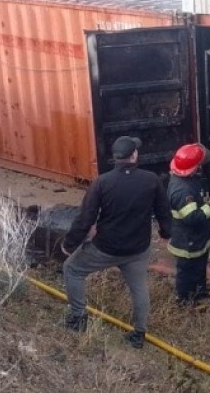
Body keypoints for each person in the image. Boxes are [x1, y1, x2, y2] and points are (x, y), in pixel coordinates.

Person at [61, 136, 171, 349]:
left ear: (115, 158)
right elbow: (163, 211)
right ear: (134, 155)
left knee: (72, 269)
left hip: (105, 248)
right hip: (138, 248)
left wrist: (69, 243)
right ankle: (139, 334)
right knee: (139, 288)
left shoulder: (102, 182)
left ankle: (77, 318)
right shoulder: (151, 180)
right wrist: (166, 233)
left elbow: (85, 218)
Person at [166, 143, 210, 308]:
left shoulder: (188, 179)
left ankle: (200, 290)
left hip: (197, 237)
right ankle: (185, 301)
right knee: (187, 272)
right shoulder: (182, 191)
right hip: (187, 240)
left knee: (200, 264)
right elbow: (193, 218)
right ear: (192, 168)